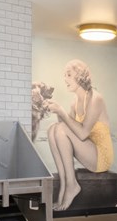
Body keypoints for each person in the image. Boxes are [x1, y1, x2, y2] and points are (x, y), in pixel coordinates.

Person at [46, 59, 113, 211]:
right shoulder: (74, 102)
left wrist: (61, 111)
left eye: (69, 75)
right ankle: (65, 184)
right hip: (88, 152)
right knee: (52, 129)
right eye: (65, 75)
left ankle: (72, 185)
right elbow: (63, 130)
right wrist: (57, 111)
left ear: (80, 76)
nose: (65, 79)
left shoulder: (96, 98)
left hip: (101, 155)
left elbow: (82, 134)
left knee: (59, 128)